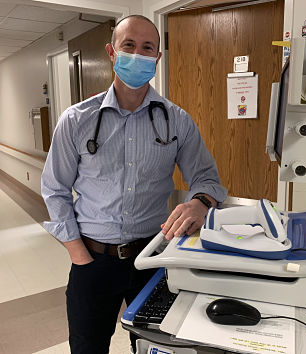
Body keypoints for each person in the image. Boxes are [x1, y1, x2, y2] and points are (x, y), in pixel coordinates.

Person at [41, 14, 227, 354]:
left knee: (154, 346)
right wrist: (78, 254)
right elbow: (54, 189)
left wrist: (200, 202)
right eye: (129, 46)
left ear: (157, 59)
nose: (138, 55)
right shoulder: (77, 120)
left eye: (147, 48)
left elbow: (207, 178)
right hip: (93, 260)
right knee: (87, 347)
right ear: (112, 53)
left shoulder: (177, 121)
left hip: (154, 257)